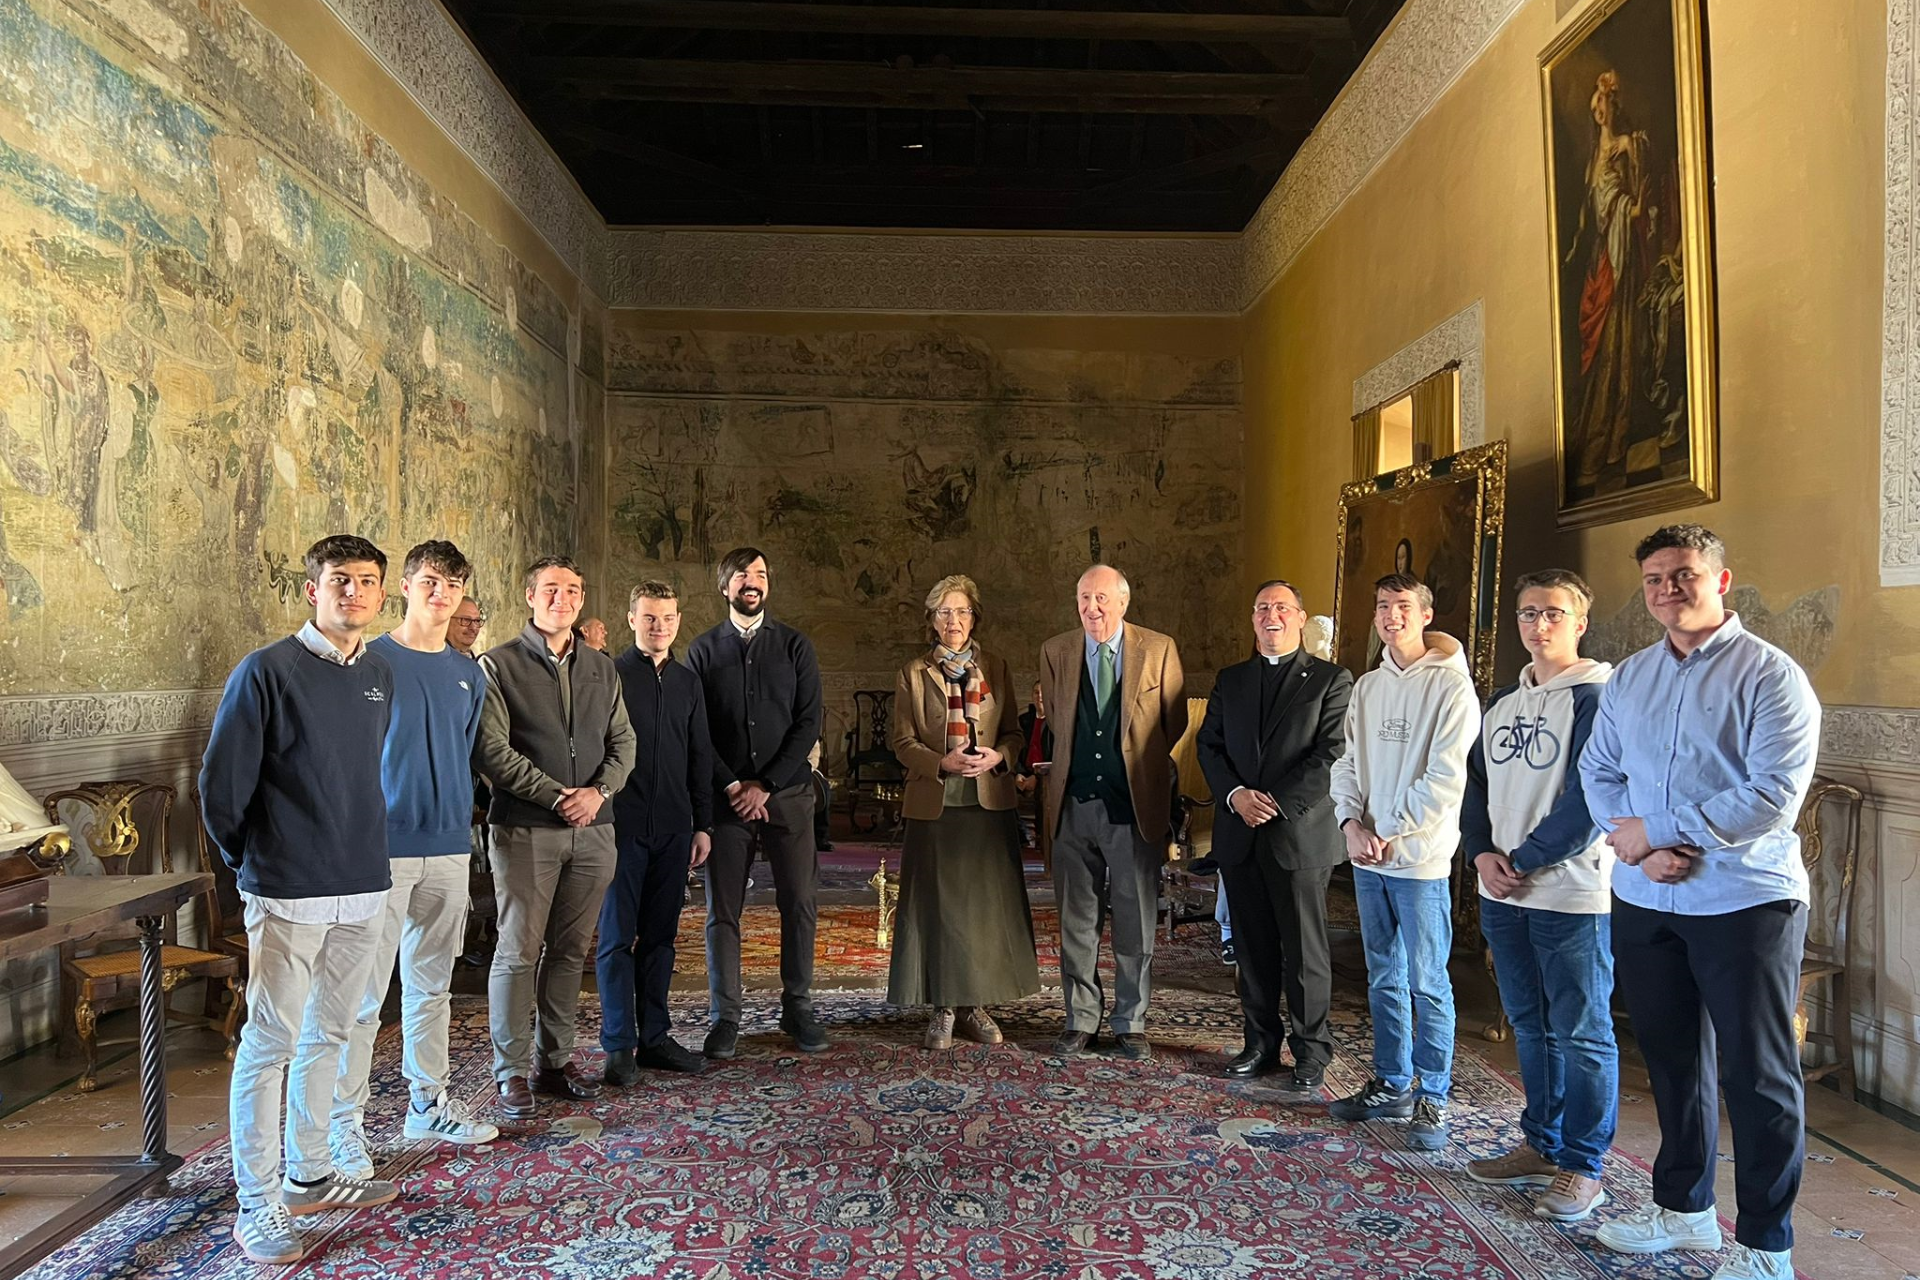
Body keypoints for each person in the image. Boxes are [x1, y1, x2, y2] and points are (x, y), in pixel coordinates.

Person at [1581, 525, 1821, 1280]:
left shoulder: (1770, 676)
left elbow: (1773, 795)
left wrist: (1665, 830)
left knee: (1758, 1073)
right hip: (1647, 893)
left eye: (1683, 574)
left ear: (1721, 580)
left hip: (1744, 898)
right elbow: (1599, 771)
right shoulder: (1631, 678)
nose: (1667, 590)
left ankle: (1765, 1245)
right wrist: (1645, 848)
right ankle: (1683, 1212)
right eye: (1654, 579)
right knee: (1673, 1061)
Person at [200, 535, 400, 1265]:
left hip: (363, 883)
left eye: (367, 582)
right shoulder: (265, 672)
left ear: (382, 595)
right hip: (288, 887)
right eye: (339, 580)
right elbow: (221, 791)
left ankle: (309, 1172)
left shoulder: (380, 673)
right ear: (312, 589)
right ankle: (257, 1203)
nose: (354, 592)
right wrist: (254, 862)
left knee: (337, 1032)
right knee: (271, 1042)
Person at [331, 541, 498, 1180]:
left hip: (450, 844)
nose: (442, 593)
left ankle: (428, 1103)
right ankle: (343, 1126)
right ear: (405, 586)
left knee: (432, 984)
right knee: (364, 995)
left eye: (453, 584)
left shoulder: (468, 673)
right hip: (384, 848)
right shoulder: (371, 662)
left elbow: (467, 755)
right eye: (430, 580)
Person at [1463, 570, 1616, 1222]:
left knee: (1581, 1031)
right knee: (1530, 1025)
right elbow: (1474, 789)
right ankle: (1539, 1142)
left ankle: (1583, 1165)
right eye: (1528, 614)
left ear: (1579, 621)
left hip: (1569, 893)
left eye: (1553, 613)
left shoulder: (1598, 699)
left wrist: (1521, 859)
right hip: (1503, 890)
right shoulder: (1502, 700)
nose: (1539, 625)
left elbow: (1592, 800)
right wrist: (1481, 853)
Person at [474, 556, 635, 1118]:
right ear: (529, 596)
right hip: (526, 828)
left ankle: (555, 1059)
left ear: (582, 598)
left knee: (569, 951)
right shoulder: (497, 666)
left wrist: (598, 793)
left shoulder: (601, 667)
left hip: (594, 831)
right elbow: (492, 750)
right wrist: (558, 796)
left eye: (572, 589)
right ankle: (511, 1071)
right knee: (518, 951)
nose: (561, 598)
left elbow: (624, 744)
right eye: (550, 589)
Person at [1328, 572, 1479, 1151]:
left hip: (1417, 860)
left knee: (1427, 979)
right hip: (1368, 855)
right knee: (1383, 975)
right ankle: (1391, 1081)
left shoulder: (1451, 689)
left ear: (1425, 614)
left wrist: (1385, 830)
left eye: (1402, 607)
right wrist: (1350, 822)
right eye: (1382, 606)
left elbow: (1444, 778)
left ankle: (1433, 1094)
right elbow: (1346, 762)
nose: (1391, 616)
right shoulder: (1368, 687)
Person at [1196, 578, 1353, 1093]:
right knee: (1251, 947)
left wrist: (1277, 803)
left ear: (1301, 618)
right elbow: (1210, 746)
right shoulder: (1232, 678)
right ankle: (1259, 1042)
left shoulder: (1332, 680)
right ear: (1253, 619)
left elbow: (1331, 752)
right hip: (1239, 831)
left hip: (1299, 834)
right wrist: (1236, 795)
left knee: (1304, 951)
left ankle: (1311, 1051)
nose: (1271, 616)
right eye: (1262, 608)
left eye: (1282, 608)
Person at [1038, 564, 1186, 1060]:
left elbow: (1174, 721)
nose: (1092, 608)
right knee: (1076, 920)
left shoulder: (1158, 649)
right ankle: (1080, 1017)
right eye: (1084, 598)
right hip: (1071, 805)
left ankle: (1131, 1021)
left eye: (1102, 598)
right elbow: (1056, 726)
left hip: (1132, 807)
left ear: (1123, 602)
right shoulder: (1056, 651)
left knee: (1134, 918)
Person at [886, 574, 1041, 1049]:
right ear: (932, 621)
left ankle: (976, 1006)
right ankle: (942, 1008)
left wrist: (999, 756)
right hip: (935, 804)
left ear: (975, 617)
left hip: (988, 804)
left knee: (983, 912)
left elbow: (1014, 733)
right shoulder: (912, 673)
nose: (954, 621)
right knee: (939, 910)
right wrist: (940, 763)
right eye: (944, 612)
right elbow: (901, 741)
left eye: (962, 611)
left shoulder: (996, 664)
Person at [687, 547, 827, 1057]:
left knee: (800, 901)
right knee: (722, 911)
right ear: (725, 586)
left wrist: (765, 784)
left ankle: (799, 1006)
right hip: (725, 803)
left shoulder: (794, 646)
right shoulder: (701, 651)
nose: (753, 581)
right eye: (743, 574)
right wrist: (732, 787)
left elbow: (808, 721)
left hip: (787, 795)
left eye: (761, 574)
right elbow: (696, 729)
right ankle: (725, 1016)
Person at [599, 581, 714, 1082]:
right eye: (649, 618)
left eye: (667, 618)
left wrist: (702, 824)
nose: (659, 627)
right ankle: (619, 1045)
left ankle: (656, 1037)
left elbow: (699, 756)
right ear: (631, 620)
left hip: (673, 827)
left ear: (678, 620)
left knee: (662, 939)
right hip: (621, 827)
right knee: (617, 937)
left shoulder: (689, 682)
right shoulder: (610, 676)